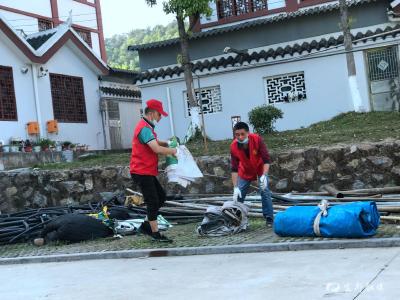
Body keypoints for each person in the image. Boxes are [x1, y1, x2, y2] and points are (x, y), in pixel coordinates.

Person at [130, 99, 178, 242]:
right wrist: (174, 150)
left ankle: (146, 225)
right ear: (151, 113)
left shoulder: (147, 127)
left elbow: (154, 142)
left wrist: (168, 142)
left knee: (161, 197)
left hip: (146, 171)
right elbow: (156, 148)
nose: (160, 117)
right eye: (159, 114)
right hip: (141, 171)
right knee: (153, 201)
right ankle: (155, 234)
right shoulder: (144, 128)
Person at [230, 122, 274, 227]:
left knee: (265, 190)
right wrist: (235, 187)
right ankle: (236, 219)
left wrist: (264, 176)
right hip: (245, 170)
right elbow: (234, 169)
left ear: (248, 133)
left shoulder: (257, 139)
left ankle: (269, 218)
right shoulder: (233, 146)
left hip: (260, 168)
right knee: (238, 195)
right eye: (237, 135)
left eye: (242, 134)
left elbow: (266, 160)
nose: (240, 137)